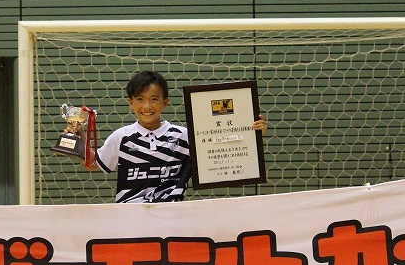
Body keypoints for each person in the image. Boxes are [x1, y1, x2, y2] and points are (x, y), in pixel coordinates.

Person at [65, 70, 267, 203]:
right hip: (129, 219)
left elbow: (220, 151)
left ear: (165, 102)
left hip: (173, 220)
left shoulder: (184, 136)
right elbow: (95, 163)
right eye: (140, 99)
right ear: (130, 103)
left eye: (154, 99)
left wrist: (252, 134)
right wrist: (78, 139)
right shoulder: (122, 137)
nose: (147, 106)